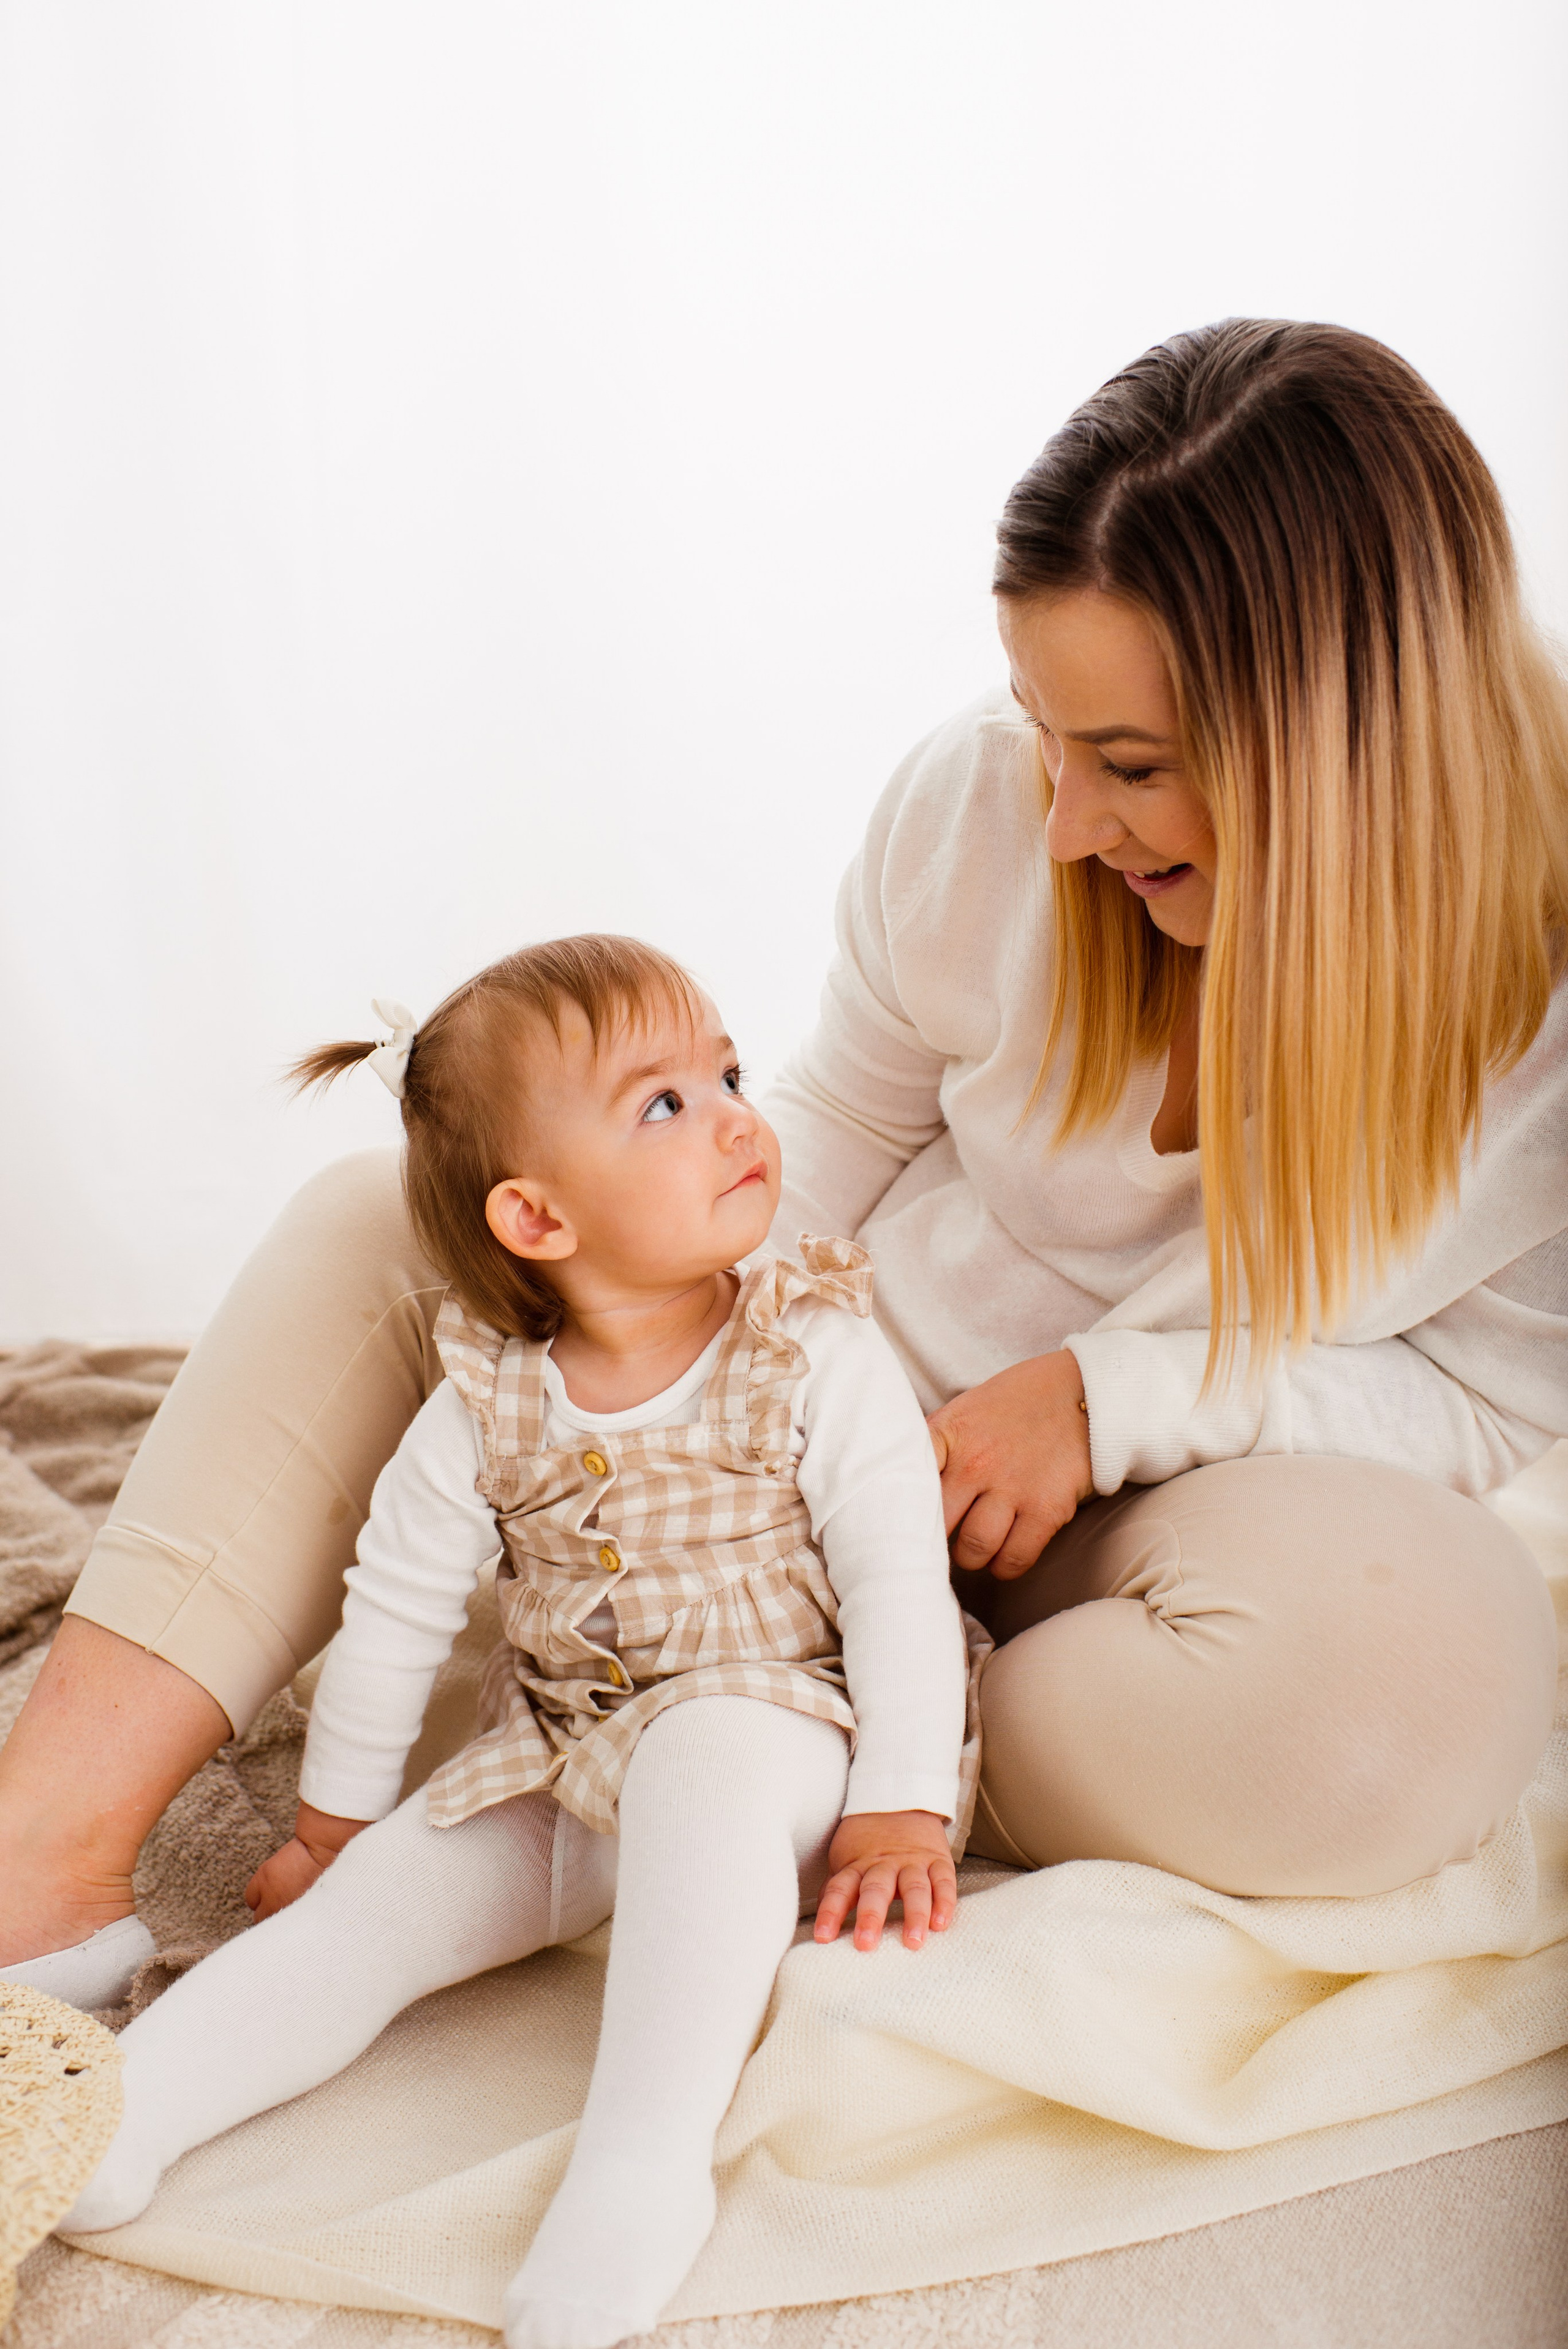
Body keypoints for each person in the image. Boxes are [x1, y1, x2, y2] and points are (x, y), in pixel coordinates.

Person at [2, 316, 1563, 1996]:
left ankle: (807, 1730)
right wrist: (699, 1356)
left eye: (1128, 765)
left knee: (1406, 1706)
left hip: (1171, 1528)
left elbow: (1494, 1404)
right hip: (830, 1422)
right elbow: (829, 1137)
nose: (1060, 819)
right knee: (384, 1214)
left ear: (1350, 749)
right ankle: (44, 1864)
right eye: (1046, 731)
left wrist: (1109, 1398)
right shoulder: (983, 808)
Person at [57, 935, 978, 2349]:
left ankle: (639, 2162)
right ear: (536, 1220)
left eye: (727, 1070)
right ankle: (131, 2110)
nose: (738, 1112)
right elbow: (397, 1604)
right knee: (378, 1906)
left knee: (712, 1760)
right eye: (663, 1104)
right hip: (560, 1739)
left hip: (778, 1720)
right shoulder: (487, 1395)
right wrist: (333, 1819)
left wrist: (900, 1805)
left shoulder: (810, 1348)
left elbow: (898, 1579)